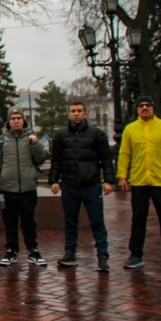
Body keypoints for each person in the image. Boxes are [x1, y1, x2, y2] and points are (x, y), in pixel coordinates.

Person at [117, 96, 161, 272]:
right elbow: (124, 153)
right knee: (138, 219)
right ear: (137, 109)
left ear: (153, 108)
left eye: (148, 105)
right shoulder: (130, 130)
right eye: (141, 106)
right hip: (139, 181)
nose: (145, 108)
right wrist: (122, 176)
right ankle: (136, 255)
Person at [49, 101, 114, 272]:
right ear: (69, 114)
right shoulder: (61, 136)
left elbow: (106, 159)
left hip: (91, 185)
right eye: (73, 111)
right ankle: (70, 253)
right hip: (69, 185)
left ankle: (102, 255)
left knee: (97, 222)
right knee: (70, 222)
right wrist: (54, 180)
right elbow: (56, 160)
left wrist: (109, 180)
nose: (76, 114)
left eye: (79, 111)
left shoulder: (97, 134)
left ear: (85, 114)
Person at [0, 107, 49, 267]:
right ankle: (11, 251)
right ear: (9, 121)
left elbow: (42, 159)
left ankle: (33, 250)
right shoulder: (0, 141)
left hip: (28, 189)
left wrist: (35, 144)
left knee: (29, 222)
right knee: (10, 222)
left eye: (18, 118)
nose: (16, 120)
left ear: (24, 120)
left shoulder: (31, 138)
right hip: (7, 190)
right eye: (13, 118)